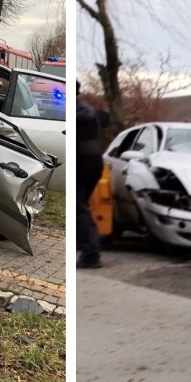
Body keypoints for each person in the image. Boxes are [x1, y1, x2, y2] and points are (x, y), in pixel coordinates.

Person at [77, 81, 105, 269]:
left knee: (78, 209)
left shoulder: (75, 112)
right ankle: (92, 248)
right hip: (95, 161)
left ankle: (91, 253)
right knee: (83, 208)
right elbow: (106, 119)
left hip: (81, 162)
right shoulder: (88, 109)